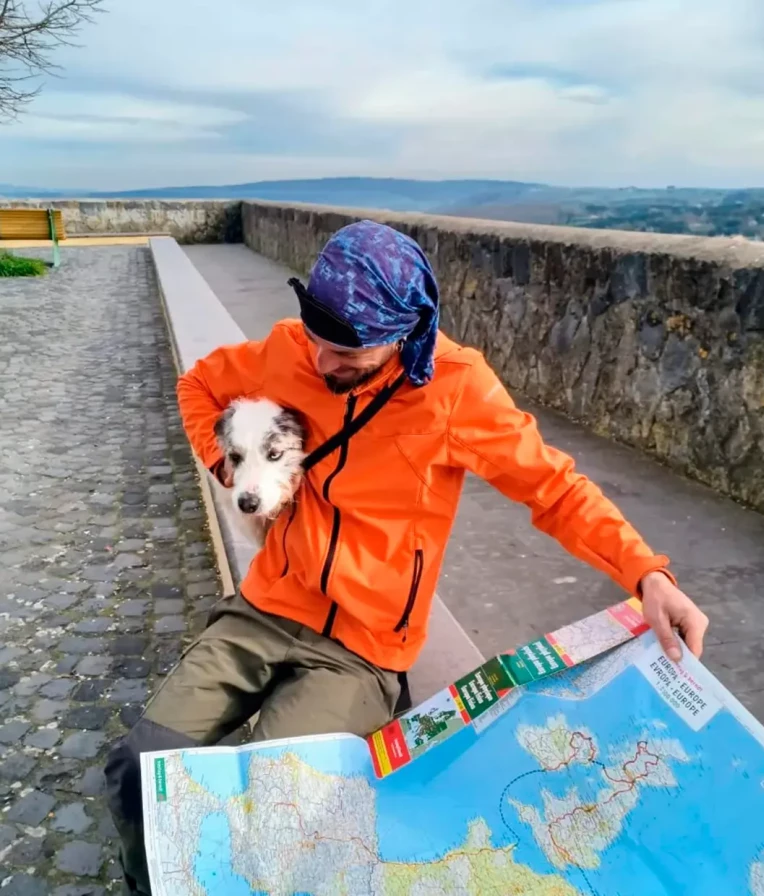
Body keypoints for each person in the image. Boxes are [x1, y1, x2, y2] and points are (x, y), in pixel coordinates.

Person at [104, 219, 708, 894]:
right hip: (266, 606)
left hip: (362, 648)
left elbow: (555, 489)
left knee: (275, 803)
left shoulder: (456, 389)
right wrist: (228, 465)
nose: (324, 363)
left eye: (348, 355)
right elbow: (200, 387)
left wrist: (645, 572)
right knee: (139, 763)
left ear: (405, 334)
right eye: (318, 343)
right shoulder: (286, 350)